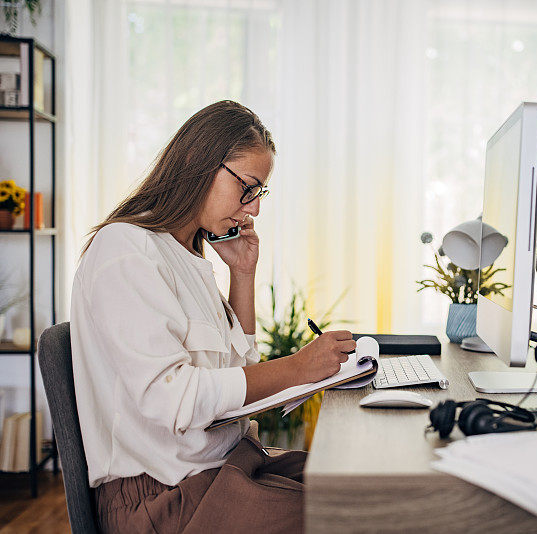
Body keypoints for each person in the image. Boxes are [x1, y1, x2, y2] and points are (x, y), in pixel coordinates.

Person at [70, 100, 355, 533]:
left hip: (222, 468)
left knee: (364, 489)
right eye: (248, 186)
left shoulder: (187, 255)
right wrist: (298, 367)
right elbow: (175, 398)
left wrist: (242, 275)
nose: (254, 207)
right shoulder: (125, 249)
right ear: (198, 161)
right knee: (357, 515)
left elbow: (238, 385)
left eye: (259, 192)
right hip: (163, 498)